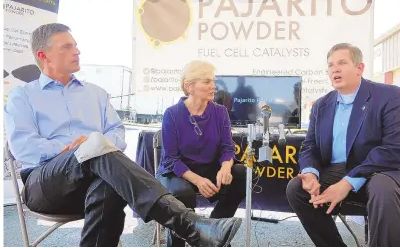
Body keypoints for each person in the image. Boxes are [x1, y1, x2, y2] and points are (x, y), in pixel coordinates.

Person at [4, 23, 242, 247]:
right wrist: (77, 148)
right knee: (97, 147)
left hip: (97, 180)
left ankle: (193, 228)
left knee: (107, 182)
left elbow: (118, 134)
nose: (77, 51)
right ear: (43, 55)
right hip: (45, 184)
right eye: (67, 47)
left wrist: (94, 146)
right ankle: (192, 226)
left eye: (76, 45)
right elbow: (25, 148)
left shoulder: (96, 93)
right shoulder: (22, 96)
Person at [286, 43, 400, 247]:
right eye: (330, 65)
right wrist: (310, 174)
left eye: (342, 63)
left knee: (383, 188)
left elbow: (394, 151)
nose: (335, 69)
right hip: (337, 169)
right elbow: (310, 147)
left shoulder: (392, 96)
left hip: (385, 170)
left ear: (359, 68)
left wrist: (347, 183)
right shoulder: (321, 105)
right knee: (297, 188)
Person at [157, 60, 246, 247]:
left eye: (213, 81)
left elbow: (227, 147)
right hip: (178, 171)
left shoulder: (220, 111)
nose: (213, 86)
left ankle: (212, 230)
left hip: (209, 167)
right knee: (183, 193)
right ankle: (178, 241)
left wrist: (226, 166)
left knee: (242, 175)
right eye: (206, 82)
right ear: (189, 86)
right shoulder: (172, 114)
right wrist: (197, 180)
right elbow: (171, 159)